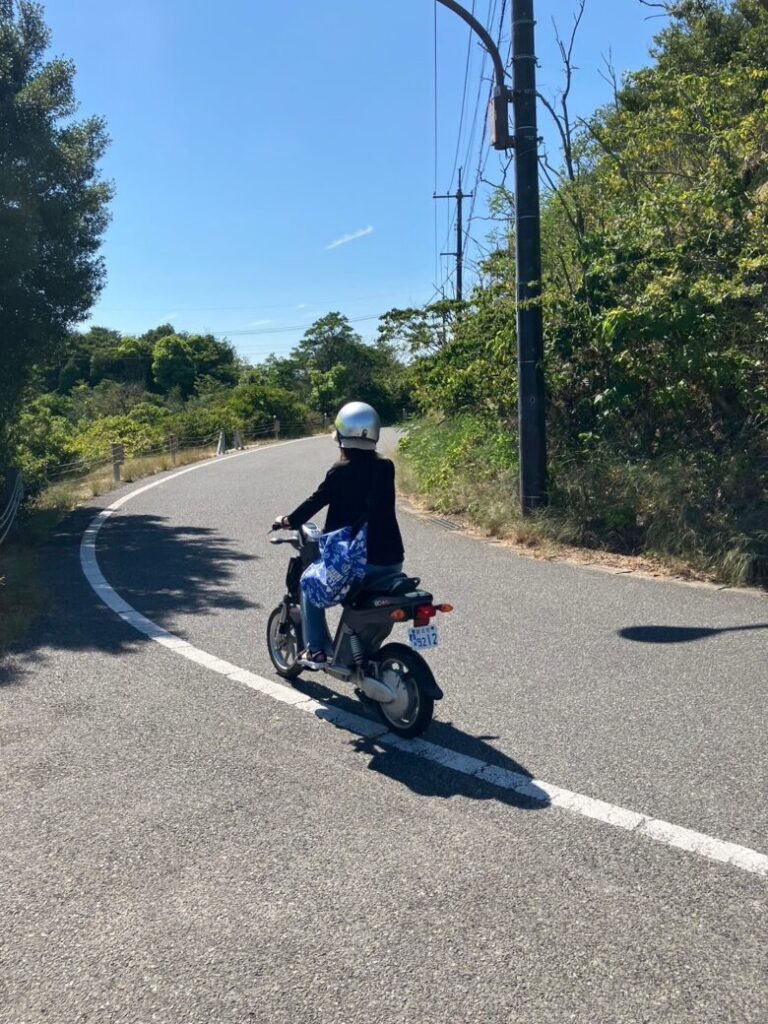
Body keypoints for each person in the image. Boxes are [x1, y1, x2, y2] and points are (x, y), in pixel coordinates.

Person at [272, 401, 405, 667]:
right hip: (392, 560)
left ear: (342, 435)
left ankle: (316, 650)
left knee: (309, 584)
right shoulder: (386, 467)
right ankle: (353, 650)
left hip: (358, 563)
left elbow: (316, 501)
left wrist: (288, 520)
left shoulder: (340, 470)